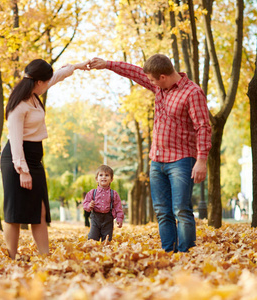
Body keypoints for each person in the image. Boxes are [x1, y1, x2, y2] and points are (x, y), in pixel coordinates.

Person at [89, 55, 211, 252]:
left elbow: (203, 127)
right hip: (157, 161)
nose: (150, 83)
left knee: (181, 210)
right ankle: (169, 252)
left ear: (162, 76)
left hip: (181, 159)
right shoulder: (159, 86)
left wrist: (202, 160)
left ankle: (186, 254)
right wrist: (107, 64)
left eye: (153, 80)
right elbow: (134, 72)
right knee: (162, 212)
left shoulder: (192, 93)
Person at [0, 58, 89, 259]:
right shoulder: (19, 106)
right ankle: (11, 258)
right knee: (13, 214)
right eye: (46, 82)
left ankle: (45, 256)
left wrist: (76, 66)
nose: (48, 84)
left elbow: (56, 76)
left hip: (34, 159)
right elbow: (15, 141)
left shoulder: (33, 93)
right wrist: (22, 171)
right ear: (38, 81)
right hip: (16, 159)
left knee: (39, 212)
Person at [82, 165, 124, 241]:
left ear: (111, 179)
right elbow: (85, 204)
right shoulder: (92, 193)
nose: (104, 177)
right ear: (96, 179)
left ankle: (106, 251)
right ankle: (94, 251)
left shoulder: (114, 194)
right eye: (101, 175)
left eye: (107, 175)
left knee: (107, 239)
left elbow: (118, 207)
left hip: (108, 219)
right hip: (95, 218)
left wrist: (119, 218)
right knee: (92, 238)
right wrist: (89, 205)